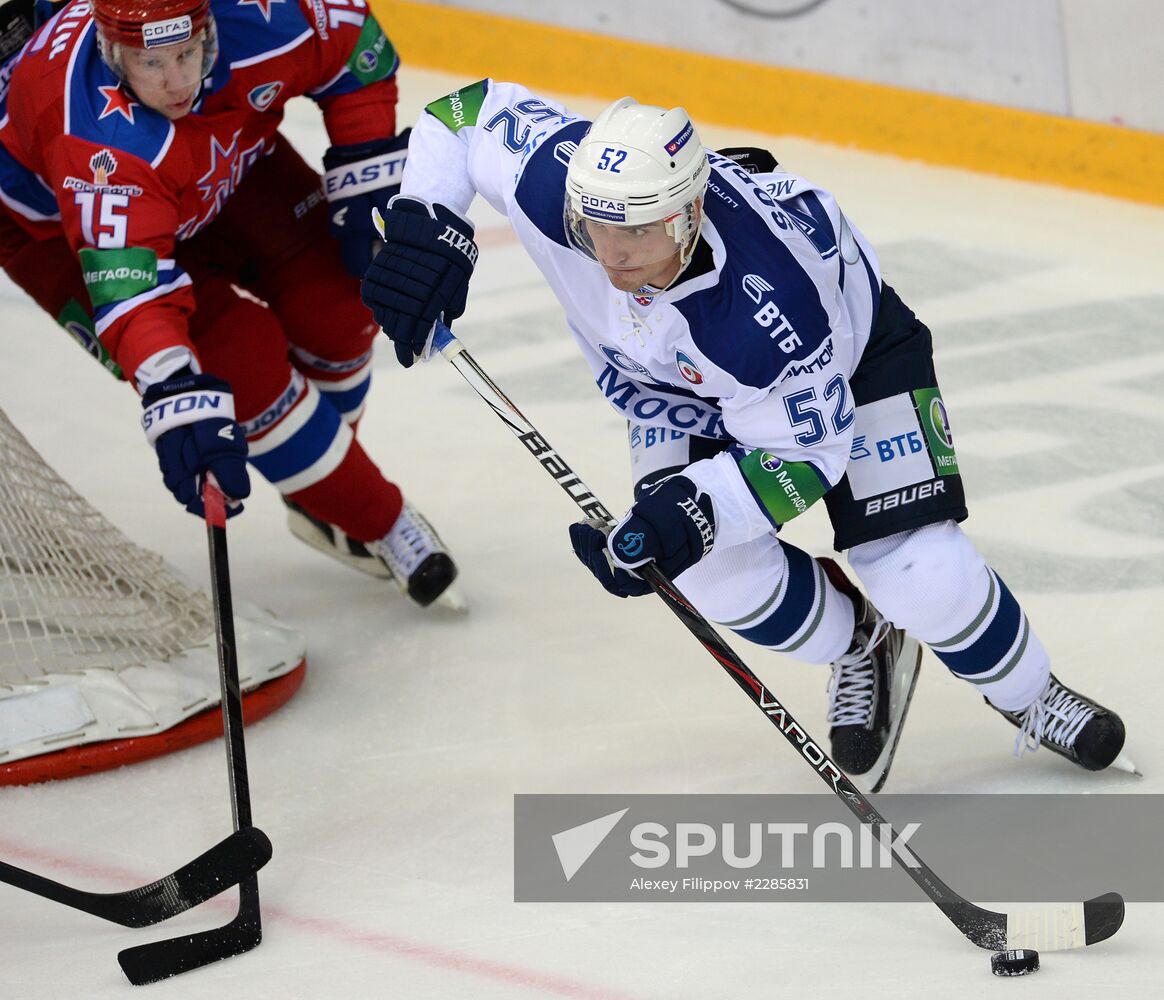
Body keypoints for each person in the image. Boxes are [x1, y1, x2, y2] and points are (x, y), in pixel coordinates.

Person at [359, 78, 1135, 785]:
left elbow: (806, 455)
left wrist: (691, 509)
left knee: (917, 571)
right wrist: (427, 220)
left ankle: (1031, 696)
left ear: (690, 215)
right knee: (705, 574)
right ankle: (860, 644)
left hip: (847, 365)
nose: (611, 254)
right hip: (676, 383)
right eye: (595, 226)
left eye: (637, 232)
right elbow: (463, 116)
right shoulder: (560, 177)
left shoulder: (770, 313)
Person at [0, 0, 459, 608]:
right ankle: (377, 518)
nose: (178, 81)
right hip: (58, 227)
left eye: (188, 53)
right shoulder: (89, 133)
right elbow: (135, 299)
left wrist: (368, 172)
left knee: (341, 300)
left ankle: (321, 487)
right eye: (151, 63)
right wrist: (172, 390)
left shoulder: (267, 16)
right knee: (241, 363)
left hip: (221, 154)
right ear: (113, 55)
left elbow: (355, 50)